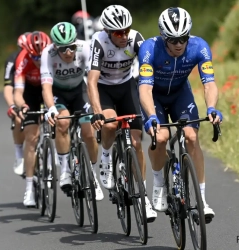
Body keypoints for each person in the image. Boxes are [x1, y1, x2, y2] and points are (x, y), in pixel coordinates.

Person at [138, 7, 223, 223]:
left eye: (183, 38)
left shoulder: (199, 46)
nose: (179, 44)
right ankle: (158, 184)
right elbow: (145, 89)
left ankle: (202, 201)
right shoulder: (149, 48)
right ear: (163, 37)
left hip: (179, 95)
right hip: (154, 96)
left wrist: (211, 108)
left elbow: (209, 84)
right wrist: (151, 117)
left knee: (192, 138)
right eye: (173, 39)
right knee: (162, 137)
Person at [87, 5, 157, 222]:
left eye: (126, 30)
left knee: (136, 144)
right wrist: (97, 112)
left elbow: (149, 66)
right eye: (118, 33)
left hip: (127, 86)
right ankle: (106, 158)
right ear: (108, 32)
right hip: (105, 89)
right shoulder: (99, 42)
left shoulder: (135, 38)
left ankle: (143, 197)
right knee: (109, 124)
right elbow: (92, 81)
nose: (124, 36)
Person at [40, 22, 103, 201]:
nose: (68, 52)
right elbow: (46, 87)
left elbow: (92, 82)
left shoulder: (86, 48)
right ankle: (66, 171)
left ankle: (92, 175)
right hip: (58, 93)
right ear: (55, 47)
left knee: (89, 132)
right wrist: (51, 109)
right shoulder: (48, 53)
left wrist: (96, 107)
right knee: (62, 122)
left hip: (79, 91)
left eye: (72, 47)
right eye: (63, 48)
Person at [13, 31, 51, 207]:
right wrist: (23, 106)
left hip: (49, 88)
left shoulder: (52, 55)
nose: (37, 59)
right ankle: (29, 186)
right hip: (30, 92)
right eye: (34, 56)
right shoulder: (23, 59)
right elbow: (18, 93)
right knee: (31, 136)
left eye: (40, 56)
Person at [3, 32, 31, 176]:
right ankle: (19, 154)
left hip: (36, 91)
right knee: (19, 118)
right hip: (19, 93)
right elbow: (8, 86)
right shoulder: (13, 60)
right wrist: (11, 105)